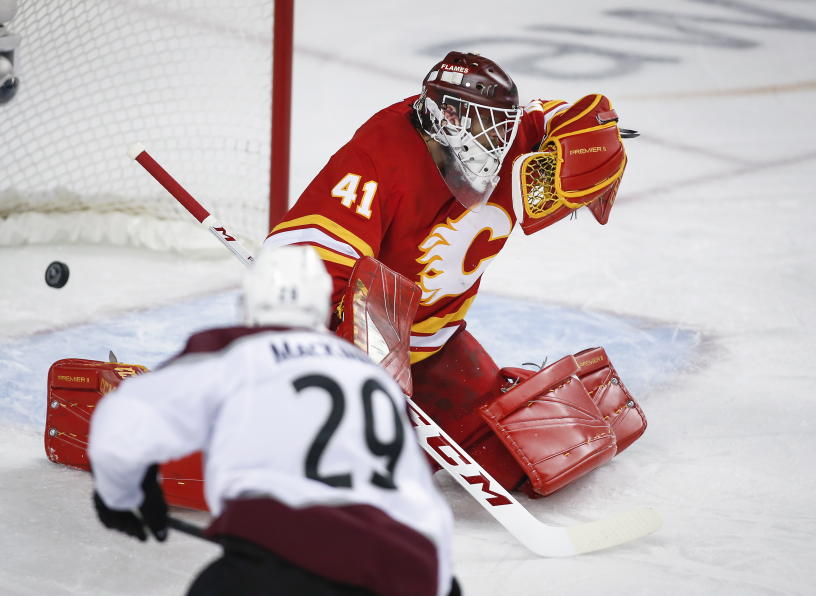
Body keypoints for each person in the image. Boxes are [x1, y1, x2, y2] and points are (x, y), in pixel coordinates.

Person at [262, 50, 634, 496]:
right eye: (484, 126)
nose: (498, 141)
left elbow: (571, 120)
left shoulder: (509, 133)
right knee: (358, 474)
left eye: (501, 125)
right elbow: (304, 260)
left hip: (439, 345)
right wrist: (354, 357)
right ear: (447, 117)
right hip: (361, 346)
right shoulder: (378, 155)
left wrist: (593, 144)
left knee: (516, 463)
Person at [88, 245, 458, 596]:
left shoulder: (234, 348)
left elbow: (124, 422)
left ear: (248, 304)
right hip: (407, 568)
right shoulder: (373, 375)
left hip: (275, 562)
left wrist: (123, 496)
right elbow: (423, 501)